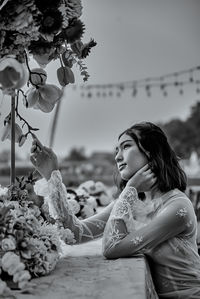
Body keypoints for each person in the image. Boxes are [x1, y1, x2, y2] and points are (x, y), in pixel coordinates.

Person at [30, 122, 200, 299]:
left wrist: (130, 188)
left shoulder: (177, 207)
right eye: (116, 151)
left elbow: (112, 248)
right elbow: (75, 233)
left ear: (150, 151)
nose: (118, 157)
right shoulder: (132, 201)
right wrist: (51, 175)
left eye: (126, 146)